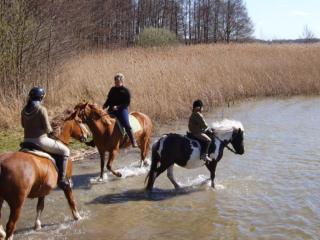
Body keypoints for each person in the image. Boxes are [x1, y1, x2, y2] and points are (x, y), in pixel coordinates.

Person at [21, 87, 70, 189]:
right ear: (41, 98)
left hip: (26, 141)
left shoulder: (24, 110)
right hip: (40, 140)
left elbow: (23, 125)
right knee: (65, 151)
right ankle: (62, 180)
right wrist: (53, 131)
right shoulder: (42, 109)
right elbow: (48, 129)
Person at [103, 73, 138, 147]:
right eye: (115, 82)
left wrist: (118, 107)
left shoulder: (126, 91)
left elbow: (127, 103)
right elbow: (108, 99)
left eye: (118, 82)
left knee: (126, 124)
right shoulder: (112, 89)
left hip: (122, 110)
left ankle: (133, 140)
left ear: (122, 81)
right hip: (111, 109)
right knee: (102, 121)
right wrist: (104, 106)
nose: (116, 83)